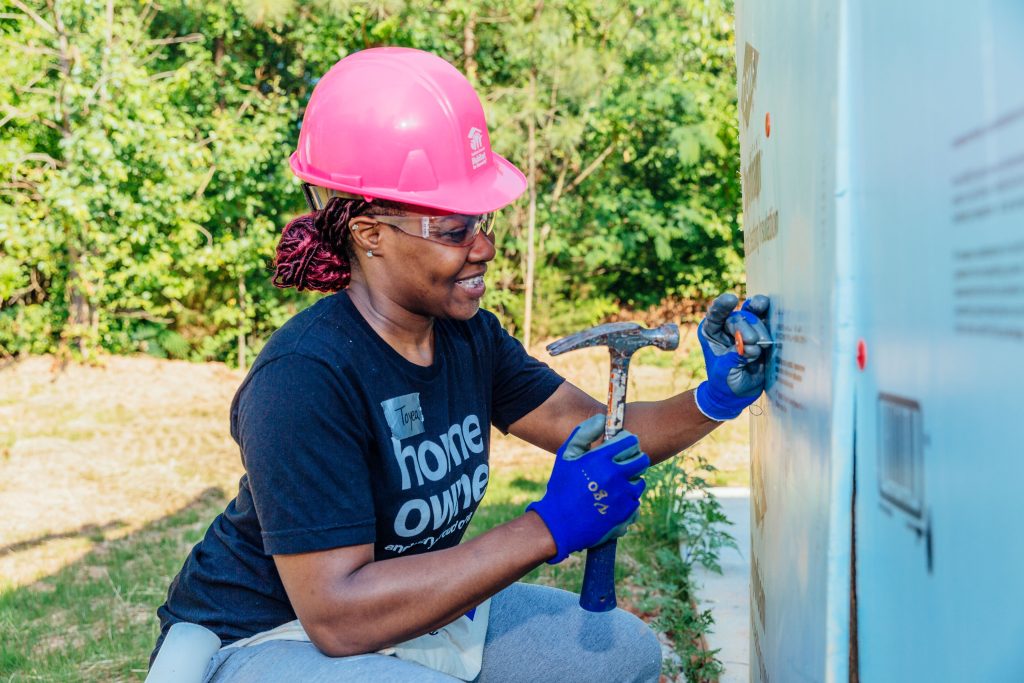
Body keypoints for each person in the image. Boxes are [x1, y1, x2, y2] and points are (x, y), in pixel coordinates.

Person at [152, 47, 772, 683]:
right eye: (453, 231)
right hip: (262, 637)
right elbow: (337, 616)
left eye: (483, 220)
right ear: (369, 233)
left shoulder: (467, 336)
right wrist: (546, 528)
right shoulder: (303, 378)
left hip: (409, 610)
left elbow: (595, 429)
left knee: (623, 655)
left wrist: (715, 399)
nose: (486, 246)